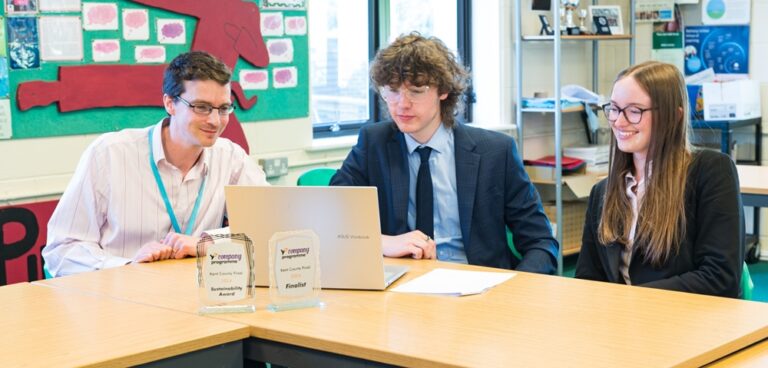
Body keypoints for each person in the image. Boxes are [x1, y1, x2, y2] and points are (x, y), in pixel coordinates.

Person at [330, 32, 558, 274]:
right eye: (392, 91)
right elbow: (329, 219)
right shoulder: (373, 143)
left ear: (444, 90)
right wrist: (383, 242)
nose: (401, 104)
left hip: (478, 288)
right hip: (402, 287)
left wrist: (513, 295)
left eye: (416, 91)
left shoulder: (496, 152)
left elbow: (541, 243)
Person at [44, 51, 268, 277]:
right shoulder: (109, 154)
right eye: (201, 107)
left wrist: (207, 243)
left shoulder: (231, 157)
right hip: (122, 297)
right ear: (170, 103)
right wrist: (127, 265)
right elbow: (61, 249)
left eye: (223, 108)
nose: (214, 120)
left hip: (196, 296)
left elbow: (268, 226)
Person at [575, 61, 743, 298]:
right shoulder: (602, 192)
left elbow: (720, 277)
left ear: (674, 116)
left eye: (634, 111)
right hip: (621, 324)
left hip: (687, 324)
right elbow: (587, 280)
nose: (619, 122)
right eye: (613, 109)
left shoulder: (711, 172)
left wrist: (629, 301)